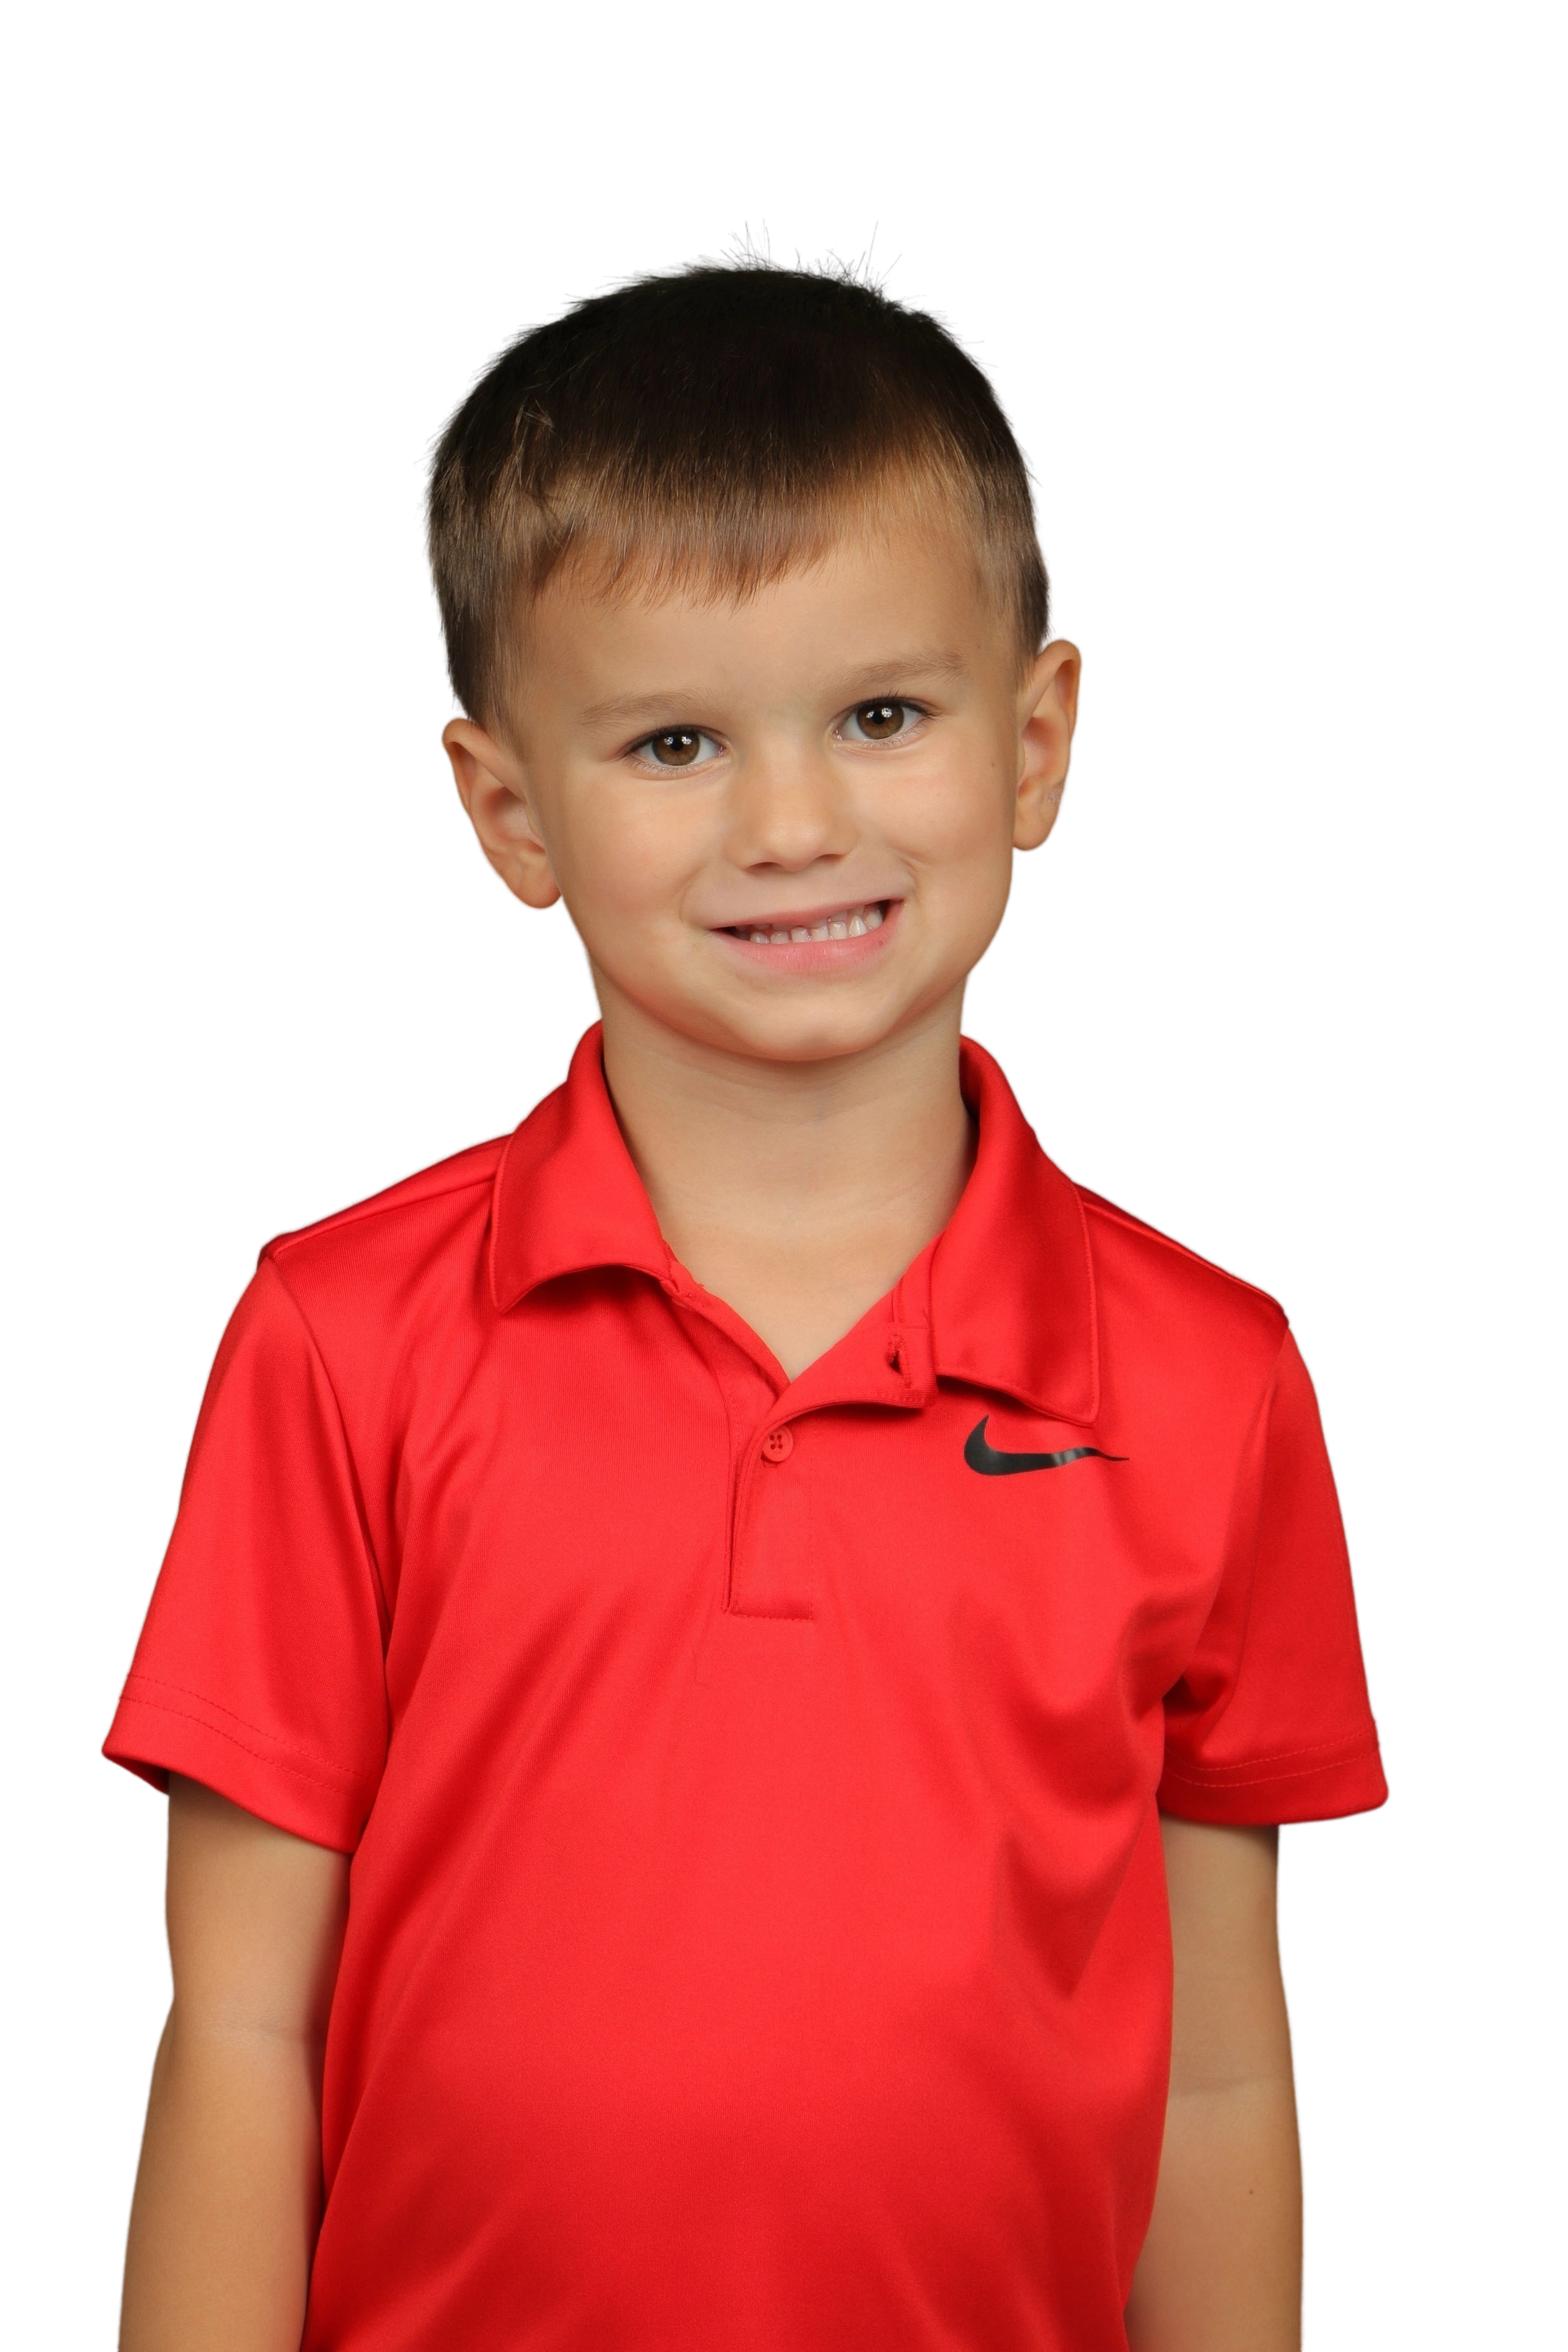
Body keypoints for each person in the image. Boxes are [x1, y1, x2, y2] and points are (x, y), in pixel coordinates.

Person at [102, 219, 1389, 2352]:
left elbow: (1224, 2071)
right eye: (676, 744)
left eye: (880, 712)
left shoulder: (1210, 1377)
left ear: (1040, 740)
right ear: (509, 811)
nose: (792, 822)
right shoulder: (340, 1336)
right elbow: (244, 2023)